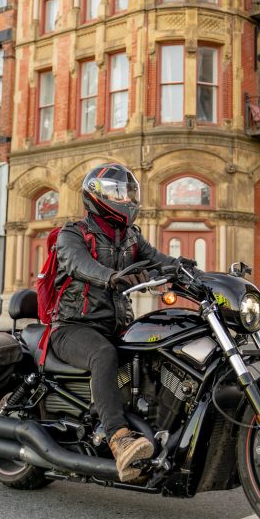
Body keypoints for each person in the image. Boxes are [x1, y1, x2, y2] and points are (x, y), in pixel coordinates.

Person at [51, 163, 177, 482]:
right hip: (72, 327)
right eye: (120, 193)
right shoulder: (73, 234)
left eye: (130, 193)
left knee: (158, 348)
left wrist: (191, 271)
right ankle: (119, 439)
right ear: (99, 196)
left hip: (115, 327)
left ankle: (159, 427)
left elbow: (159, 261)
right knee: (104, 355)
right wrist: (111, 277)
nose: (128, 199)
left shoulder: (131, 237)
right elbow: (80, 264)